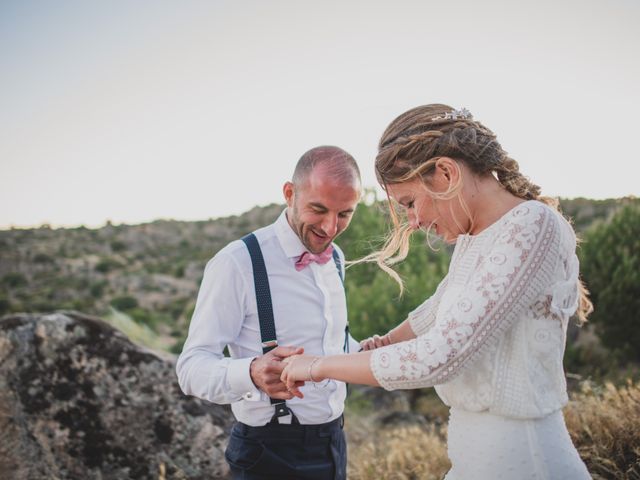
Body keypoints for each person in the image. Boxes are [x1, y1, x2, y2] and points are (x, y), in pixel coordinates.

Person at [281, 105, 592, 479]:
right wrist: (384, 342)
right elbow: (440, 309)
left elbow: (442, 355)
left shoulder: (533, 225)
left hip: (526, 461)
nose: (414, 222)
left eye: (410, 203)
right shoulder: (475, 237)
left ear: (445, 173)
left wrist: (316, 367)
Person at [176, 145, 362, 480]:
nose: (330, 227)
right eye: (318, 209)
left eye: (345, 214)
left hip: (334, 443)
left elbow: (329, 343)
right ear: (290, 193)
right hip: (269, 454)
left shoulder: (335, 258)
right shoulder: (237, 262)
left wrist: (366, 350)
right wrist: (251, 372)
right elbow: (191, 368)